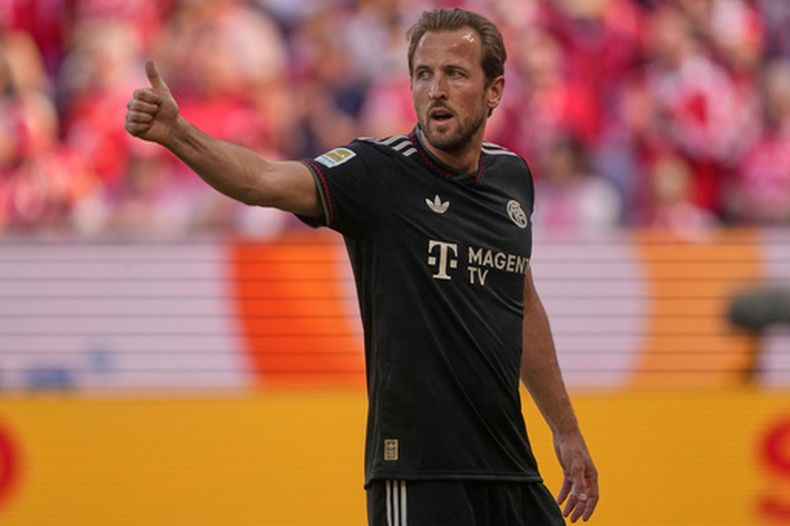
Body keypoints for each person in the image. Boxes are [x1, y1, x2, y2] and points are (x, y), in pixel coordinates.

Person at [125, 8, 598, 525]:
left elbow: (521, 305)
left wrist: (566, 429)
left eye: (455, 74)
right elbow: (261, 181)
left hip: (510, 468)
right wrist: (177, 133)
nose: (435, 89)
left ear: (494, 90)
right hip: (418, 473)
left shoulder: (512, 178)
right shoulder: (378, 173)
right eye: (423, 74)